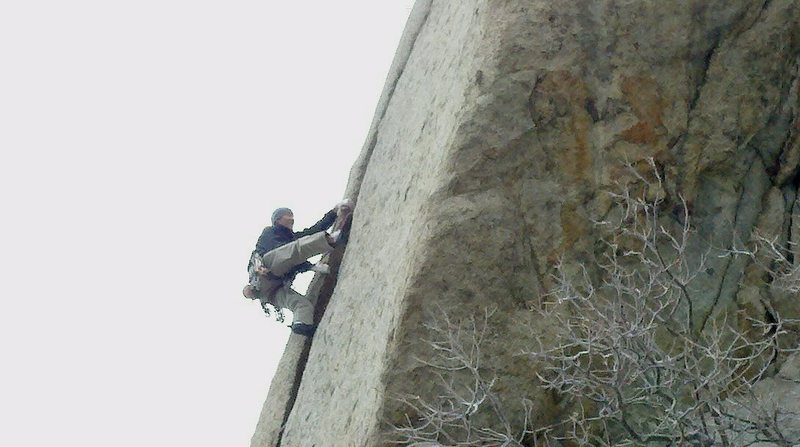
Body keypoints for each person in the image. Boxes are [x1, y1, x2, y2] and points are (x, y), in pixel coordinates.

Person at [243, 201, 353, 336]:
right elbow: (288, 252)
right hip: (266, 269)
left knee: (301, 304)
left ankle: (301, 324)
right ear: (278, 220)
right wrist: (310, 266)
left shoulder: (292, 238)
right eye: (288, 215)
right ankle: (331, 240)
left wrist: (333, 213)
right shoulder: (270, 232)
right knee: (296, 249)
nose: (292, 218)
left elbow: (313, 231)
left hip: (271, 290)